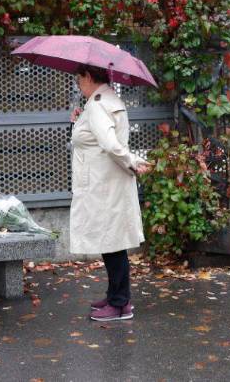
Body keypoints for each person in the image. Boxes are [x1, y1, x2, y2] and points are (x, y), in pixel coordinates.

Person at [69, 65, 149, 322]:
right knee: (112, 241)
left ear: (89, 77)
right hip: (108, 181)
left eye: (79, 79)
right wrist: (81, 121)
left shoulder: (97, 105)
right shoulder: (106, 100)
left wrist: (134, 161)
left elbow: (110, 144)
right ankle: (116, 296)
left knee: (112, 243)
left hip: (102, 183)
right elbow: (98, 137)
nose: (79, 85)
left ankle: (120, 303)